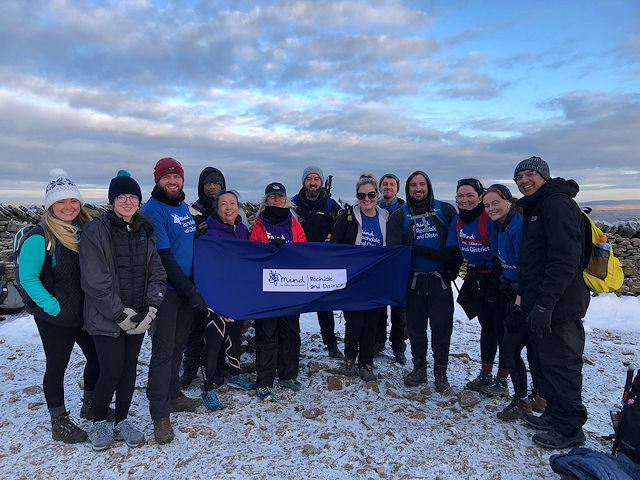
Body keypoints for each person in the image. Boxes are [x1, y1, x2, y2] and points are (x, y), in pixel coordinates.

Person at [79, 170, 166, 451]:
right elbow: (95, 280)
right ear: (112, 200)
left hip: (140, 316)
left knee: (129, 370)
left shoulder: (145, 230)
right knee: (111, 369)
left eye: (132, 196)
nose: (127, 201)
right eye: (121, 196)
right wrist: (120, 315)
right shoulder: (96, 231)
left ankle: (121, 420)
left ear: (139, 200)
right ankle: (99, 422)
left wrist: (151, 308)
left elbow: (157, 272)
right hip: (107, 317)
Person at [513, 156, 590, 449]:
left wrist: (546, 304)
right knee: (546, 362)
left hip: (560, 303)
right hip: (543, 301)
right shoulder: (539, 206)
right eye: (519, 177)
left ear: (544, 176)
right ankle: (555, 414)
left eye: (530, 174)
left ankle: (570, 428)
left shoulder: (557, 205)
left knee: (563, 364)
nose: (524, 180)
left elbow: (564, 259)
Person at [19, 169, 100, 443]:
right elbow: (27, 277)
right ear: (50, 205)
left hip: (82, 311)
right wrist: (53, 307)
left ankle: (90, 405)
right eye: (61, 202)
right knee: (57, 366)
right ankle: (59, 421)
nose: (68, 207)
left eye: (73, 201)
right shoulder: (40, 235)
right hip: (55, 315)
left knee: (98, 358)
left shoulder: (82, 230)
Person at [141, 157, 207, 444]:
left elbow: (188, 242)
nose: (172, 181)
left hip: (184, 289)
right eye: (166, 178)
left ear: (182, 180)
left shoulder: (182, 206)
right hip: (166, 291)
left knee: (178, 344)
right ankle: (159, 415)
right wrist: (189, 290)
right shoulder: (152, 211)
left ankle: (174, 395)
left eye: (176, 177)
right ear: (157, 180)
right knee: (163, 351)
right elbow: (165, 257)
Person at [386, 171, 460, 392]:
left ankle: (441, 370)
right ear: (407, 190)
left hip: (440, 281)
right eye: (413, 186)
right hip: (415, 281)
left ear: (429, 186)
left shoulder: (445, 210)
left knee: (442, 328)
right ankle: (419, 368)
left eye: (422, 184)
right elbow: (396, 252)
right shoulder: (400, 216)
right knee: (416, 328)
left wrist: (451, 270)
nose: (418, 189)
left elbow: (454, 248)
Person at [482, 184, 546, 421]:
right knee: (526, 347)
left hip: (528, 294)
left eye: (495, 203)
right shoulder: (499, 226)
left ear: (509, 201)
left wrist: (520, 300)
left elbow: (528, 267)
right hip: (512, 291)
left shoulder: (519, 226)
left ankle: (523, 400)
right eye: (487, 205)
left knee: (511, 347)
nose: (491, 208)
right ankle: (537, 396)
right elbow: (500, 258)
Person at [447, 178, 509, 397]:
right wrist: (450, 271)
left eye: (470, 195)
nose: (465, 200)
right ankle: (485, 374)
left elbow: (500, 253)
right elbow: (454, 250)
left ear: (480, 197)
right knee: (487, 327)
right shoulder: (458, 222)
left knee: (502, 329)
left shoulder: (489, 220)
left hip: (497, 278)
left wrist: (496, 285)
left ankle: (502, 379)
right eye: (460, 196)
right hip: (475, 277)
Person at [199, 190, 256, 410]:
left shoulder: (242, 229)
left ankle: (234, 374)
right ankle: (207, 387)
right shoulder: (211, 233)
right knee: (213, 342)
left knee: (235, 335)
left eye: (232, 203)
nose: (229, 207)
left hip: (237, 295)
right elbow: (209, 270)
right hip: (216, 297)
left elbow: (251, 257)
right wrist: (217, 303)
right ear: (217, 208)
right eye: (224, 204)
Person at [249, 182, 306, 401]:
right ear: (266, 200)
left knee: (290, 333)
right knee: (267, 334)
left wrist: (288, 250)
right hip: (267, 288)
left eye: (279, 197)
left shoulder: (293, 222)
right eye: (271, 197)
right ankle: (264, 381)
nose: (275, 200)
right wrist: (270, 250)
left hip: (291, 288)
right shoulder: (259, 223)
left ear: (285, 200)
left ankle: (287, 375)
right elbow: (254, 250)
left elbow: (303, 249)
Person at [331, 174, 389, 381]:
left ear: (378, 194)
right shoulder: (347, 217)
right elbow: (335, 245)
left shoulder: (386, 217)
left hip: (375, 280)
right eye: (362, 195)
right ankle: (349, 359)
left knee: (371, 322)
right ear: (356, 196)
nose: (366, 199)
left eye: (371, 194)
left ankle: (367, 363)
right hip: (353, 279)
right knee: (354, 322)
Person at [180, 166, 227, 388]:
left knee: (219, 325)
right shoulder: (190, 211)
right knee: (195, 324)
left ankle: (217, 366)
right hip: (197, 276)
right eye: (208, 183)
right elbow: (183, 239)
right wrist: (197, 233)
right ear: (201, 186)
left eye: (216, 183)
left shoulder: (229, 209)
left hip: (221, 278)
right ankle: (189, 367)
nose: (212, 187)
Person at [291, 166, 343, 359]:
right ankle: (291, 346)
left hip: (322, 264)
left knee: (325, 306)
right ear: (303, 182)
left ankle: (331, 344)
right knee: (293, 306)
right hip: (297, 264)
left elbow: (344, 226)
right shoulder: (293, 204)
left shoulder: (330, 205)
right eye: (309, 179)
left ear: (321, 182)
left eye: (316, 179)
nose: (312, 183)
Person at [374, 173, 408, 364]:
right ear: (380, 188)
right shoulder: (374, 206)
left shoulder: (404, 208)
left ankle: (398, 346)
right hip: (378, 264)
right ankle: (378, 341)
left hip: (398, 264)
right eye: (385, 184)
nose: (388, 187)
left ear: (397, 188)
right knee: (378, 306)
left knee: (399, 308)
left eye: (392, 184)